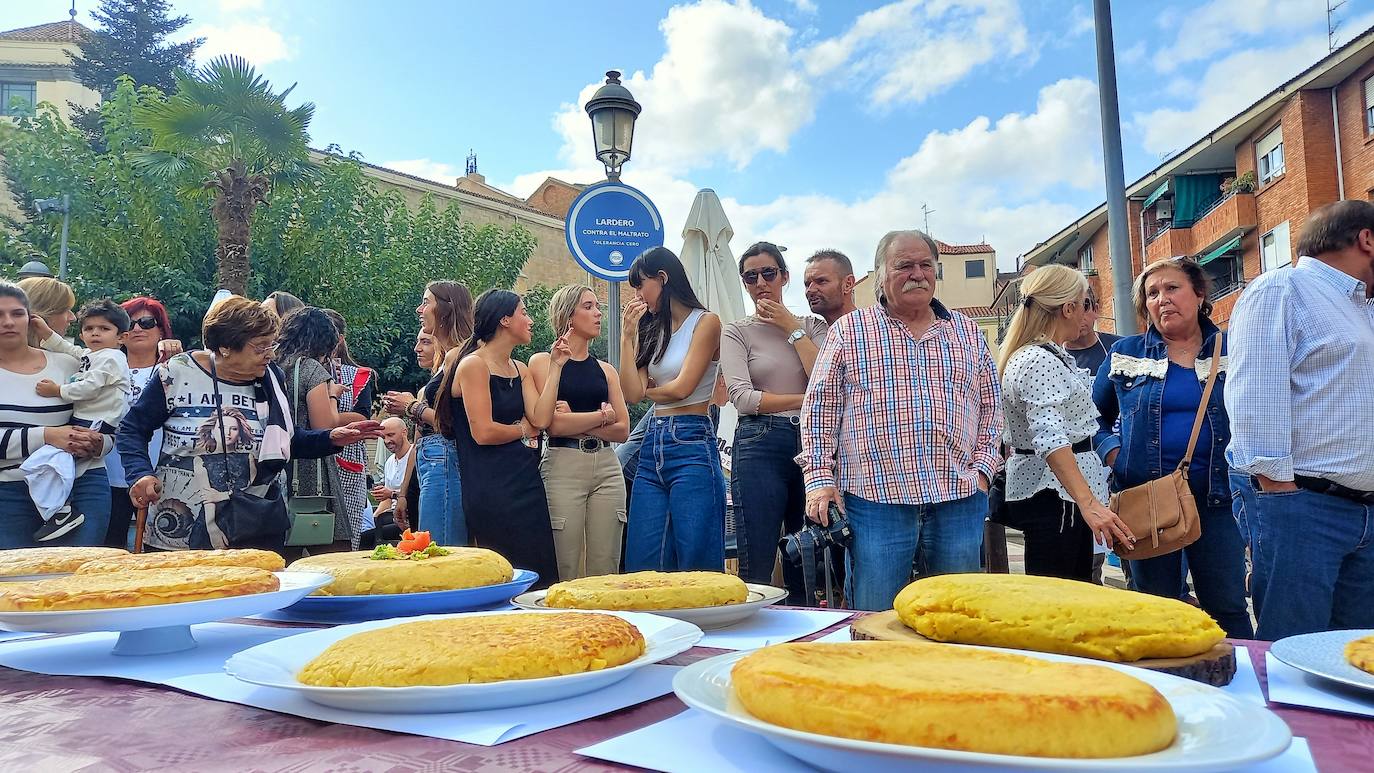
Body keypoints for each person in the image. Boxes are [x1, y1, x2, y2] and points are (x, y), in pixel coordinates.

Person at [800, 230, 1001, 611]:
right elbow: (819, 410)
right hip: (877, 502)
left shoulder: (968, 332)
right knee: (874, 617)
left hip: (957, 498)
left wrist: (983, 472)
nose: (918, 273)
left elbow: (992, 406)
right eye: (904, 265)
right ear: (880, 274)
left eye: (926, 265)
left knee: (955, 617)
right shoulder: (849, 331)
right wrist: (820, 482)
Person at [119, 296, 380, 553]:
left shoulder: (271, 379)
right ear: (226, 347)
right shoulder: (176, 373)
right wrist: (140, 473)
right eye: (260, 347)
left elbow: (285, 441)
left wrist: (330, 438)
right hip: (181, 528)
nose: (270, 355)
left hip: (256, 526)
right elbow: (132, 429)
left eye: (272, 345)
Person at [1226, 200, 1374, 640]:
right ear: (1367, 239)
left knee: (1355, 660)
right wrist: (1282, 495)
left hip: (1363, 511)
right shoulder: (1283, 289)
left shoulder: (1363, 309)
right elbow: (1255, 399)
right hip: (1303, 509)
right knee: (1294, 654)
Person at [1091, 257, 1251, 637]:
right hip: (1148, 502)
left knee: (1227, 605)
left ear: (1198, 294)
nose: (1162, 299)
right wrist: (1114, 451)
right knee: (1154, 607)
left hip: (1220, 500)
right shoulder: (1125, 354)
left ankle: (1245, 686)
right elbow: (1086, 418)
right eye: (1152, 293)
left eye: (1172, 288)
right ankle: (1167, 690)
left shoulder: (1235, 348)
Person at [998, 265, 1134, 583]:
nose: (1087, 313)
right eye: (1085, 303)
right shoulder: (1040, 359)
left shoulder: (1043, 355)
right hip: (1057, 497)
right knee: (1060, 597)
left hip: (1059, 495)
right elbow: (1050, 438)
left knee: (1069, 594)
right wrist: (1089, 504)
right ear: (1069, 308)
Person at [721, 242, 826, 603]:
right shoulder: (736, 331)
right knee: (757, 556)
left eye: (768, 273)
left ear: (784, 276)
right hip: (759, 442)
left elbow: (825, 379)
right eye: (751, 276)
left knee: (808, 555)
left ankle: (805, 641)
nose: (761, 282)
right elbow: (744, 399)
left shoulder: (813, 326)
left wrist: (791, 328)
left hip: (811, 442)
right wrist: (805, 398)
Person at [618, 247, 726, 572]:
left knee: (697, 561)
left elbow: (682, 387)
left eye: (641, 285)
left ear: (662, 279)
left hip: (692, 439)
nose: (637, 295)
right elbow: (630, 392)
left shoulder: (706, 322)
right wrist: (626, 337)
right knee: (643, 558)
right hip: (654, 442)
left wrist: (647, 390)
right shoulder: (652, 329)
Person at [452, 289, 559, 585]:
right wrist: (522, 430)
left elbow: (540, 418)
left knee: (540, 570)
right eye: (524, 312)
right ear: (504, 320)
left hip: (526, 480)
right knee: (504, 572)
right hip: (491, 486)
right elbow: (484, 432)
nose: (530, 319)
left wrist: (557, 367)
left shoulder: (519, 367)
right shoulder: (474, 364)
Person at [529, 285, 630, 580]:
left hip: (608, 467)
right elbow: (553, 425)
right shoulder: (542, 362)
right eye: (588, 306)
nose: (598, 313)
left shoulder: (606, 370)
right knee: (566, 562)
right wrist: (602, 417)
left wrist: (575, 417)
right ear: (568, 315)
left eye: (597, 307)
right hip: (564, 462)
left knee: (605, 563)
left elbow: (623, 429)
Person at [0, 282, 108, 547]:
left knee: (77, 581)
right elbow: (54, 436)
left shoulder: (70, 364)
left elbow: (107, 418)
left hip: (81, 486)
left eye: (16, 313)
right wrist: (47, 436)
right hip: (9, 491)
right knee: (16, 584)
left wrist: (101, 443)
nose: (8, 322)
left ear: (31, 317)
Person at [22, 300, 132, 541]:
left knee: (56, 462)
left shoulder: (112, 358)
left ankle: (62, 511)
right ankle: (62, 510)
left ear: (121, 336)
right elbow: (69, 350)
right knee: (60, 463)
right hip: (84, 418)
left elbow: (90, 388)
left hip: (98, 423)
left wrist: (58, 390)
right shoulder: (93, 355)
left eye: (104, 329)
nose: (95, 333)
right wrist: (46, 332)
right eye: (89, 328)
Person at [388, 281, 473, 547]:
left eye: (426, 302)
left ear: (447, 309)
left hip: (445, 456)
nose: (419, 309)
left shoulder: (461, 357)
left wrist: (411, 406)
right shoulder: (450, 358)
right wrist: (404, 492)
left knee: (441, 548)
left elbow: (453, 422)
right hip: (433, 458)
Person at [103, 296, 181, 549]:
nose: (137, 329)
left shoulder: (176, 370)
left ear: (161, 330)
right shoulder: (100, 368)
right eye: (129, 323)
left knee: (156, 549)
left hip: (160, 475)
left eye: (147, 323)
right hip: (107, 472)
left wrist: (177, 356)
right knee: (109, 549)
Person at [275, 307, 354, 552]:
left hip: (277, 462)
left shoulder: (271, 364)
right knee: (331, 548)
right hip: (310, 470)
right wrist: (332, 395)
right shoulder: (310, 369)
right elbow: (325, 426)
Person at [1063, 289, 1122, 585]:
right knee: (1086, 560)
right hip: (1073, 467)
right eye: (1068, 306)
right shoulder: (1053, 355)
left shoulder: (1119, 348)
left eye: (1084, 306)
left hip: (1116, 462)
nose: (1078, 315)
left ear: (1096, 308)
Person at [322, 308, 376, 547]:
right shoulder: (301, 372)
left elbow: (362, 416)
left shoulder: (358, 376)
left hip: (347, 464)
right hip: (313, 463)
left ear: (339, 340)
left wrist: (329, 416)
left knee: (347, 535)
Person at [383, 327, 441, 532]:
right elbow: (417, 445)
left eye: (426, 342)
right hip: (420, 477)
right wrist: (403, 495)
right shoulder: (424, 390)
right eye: (418, 342)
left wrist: (412, 406)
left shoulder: (451, 380)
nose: (417, 348)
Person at [802, 249, 858, 325]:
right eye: (807, 284)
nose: (810, 290)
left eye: (821, 281)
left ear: (848, 284)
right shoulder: (812, 333)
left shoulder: (872, 329)